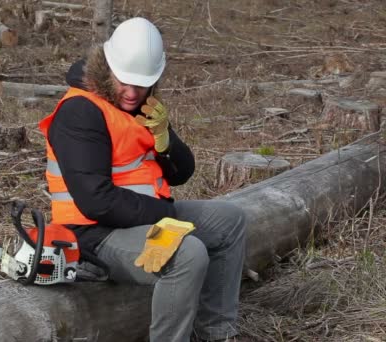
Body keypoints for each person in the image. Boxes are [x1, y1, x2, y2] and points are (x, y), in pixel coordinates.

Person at [38, 17, 247, 342]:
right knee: (187, 254)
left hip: (143, 218)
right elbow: (96, 201)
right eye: (126, 82)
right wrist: (165, 217)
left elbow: (183, 173)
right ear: (108, 68)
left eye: (143, 84)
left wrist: (166, 142)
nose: (133, 92)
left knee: (229, 221)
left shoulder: (137, 106)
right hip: (94, 234)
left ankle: (216, 334)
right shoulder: (80, 112)